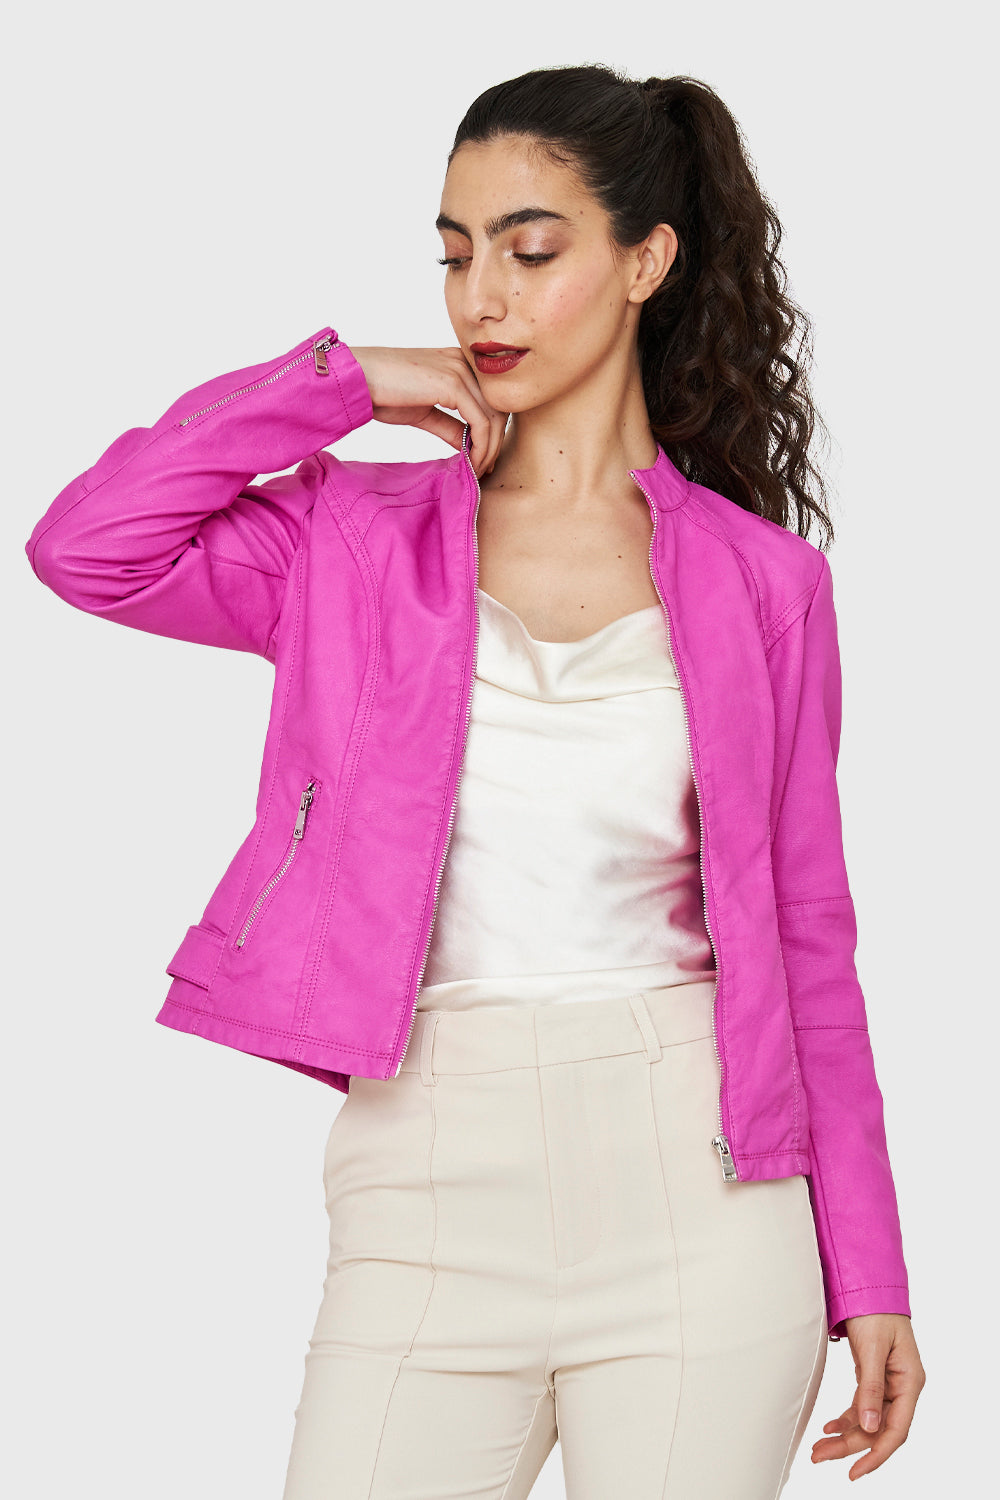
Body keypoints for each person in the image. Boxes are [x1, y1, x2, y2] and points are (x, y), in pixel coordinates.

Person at [25, 63, 924, 1499]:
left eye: (530, 249)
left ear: (645, 262)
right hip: (425, 1180)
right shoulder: (350, 544)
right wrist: (342, 381)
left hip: (703, 1193)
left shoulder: (767, 586)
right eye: (454, 257)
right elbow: (89, 548)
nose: (482, 300)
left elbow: (812, 938)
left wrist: (867, 1270)